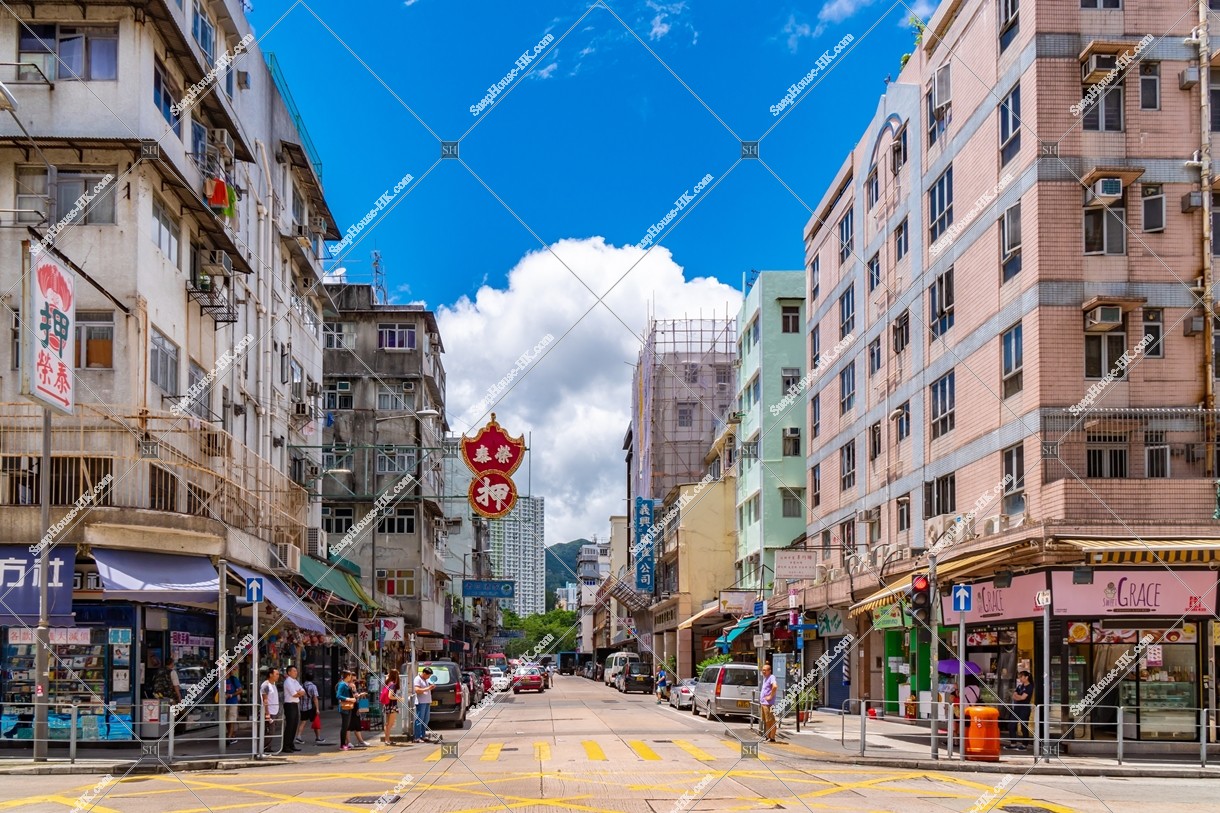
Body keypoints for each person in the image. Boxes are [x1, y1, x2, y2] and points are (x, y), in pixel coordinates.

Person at [335, 669, 366, 751]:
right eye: (350, 676)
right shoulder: (342, 684)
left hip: (349, 707)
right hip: (344, 707)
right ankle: (342, 744)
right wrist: (349, 699)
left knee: (346, 726)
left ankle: (344, 744)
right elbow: (338, 696)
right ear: (347, 676)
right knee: (345, 726)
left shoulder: (347, 685)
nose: (351, 678)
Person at [1008, 670, 1033, 750]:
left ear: (1026, 677)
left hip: (1024, 708)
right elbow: (1014, 695)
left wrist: (1018, 696)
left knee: (1023, 726)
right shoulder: (1020, 686)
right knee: (1012, 725)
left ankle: (1025, 745)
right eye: (1019, 677)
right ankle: (1013, 743)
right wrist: (1018, 696)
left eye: (1021, 677)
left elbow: (1023, 697)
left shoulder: (1030, 687)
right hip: (1017, 708)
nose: (1020, 679)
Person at [281, 666, 304, 753]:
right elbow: (294, 694)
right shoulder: (288, 682)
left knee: (294, 725)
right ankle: (286, 746)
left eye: (296, 671)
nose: (296, 672)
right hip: (289, 704)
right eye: (294, 671)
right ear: (289, 672)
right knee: (290, 726)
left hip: (295, 704)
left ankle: (291, 744)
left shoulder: (295, 681)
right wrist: (299, 693)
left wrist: (299, 693)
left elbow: (303, 691)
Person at [299, 671, 326, 744]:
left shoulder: (301, 685)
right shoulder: (313, 686)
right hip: (311, 707)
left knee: (303, 722)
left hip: (302, 707)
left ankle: (298, 736)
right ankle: (318, 737)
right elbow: (315, 698)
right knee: (315, 722)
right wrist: (317, 708)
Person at [259, 667, 281, 754]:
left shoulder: (273, 684)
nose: (278, 676)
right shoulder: (266, 685)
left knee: (272, 731)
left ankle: (268, 748)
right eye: (276, 674)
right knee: (269, 731)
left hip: (274, 711)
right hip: (269, 712)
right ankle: (264, 749)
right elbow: (265, 700)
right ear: (270, 675)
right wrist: (267, 713)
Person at [412, 666, 434, 743]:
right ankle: (417, 737)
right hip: (421, 702)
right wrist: (428, 688)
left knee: (426, 719)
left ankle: (422, 735)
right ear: (424, 673)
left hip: (427, 701)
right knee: (419, 719)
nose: (429, 677)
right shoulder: (417, 679)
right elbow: (417, 690)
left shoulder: (425, 680)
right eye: (428, 675)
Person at [759, 663, 779, 743]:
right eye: (763, 670)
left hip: (769, 704)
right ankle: (767, 737)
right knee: (767, 721)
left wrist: (770, 696)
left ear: (769, 671)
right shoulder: (765, 678)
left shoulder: (771, 677)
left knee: (771, 721)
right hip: (764, 703)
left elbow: (775, 686)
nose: (763, 672)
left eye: (765, 670)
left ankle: (772, 738)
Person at [223, 663, 242, 745]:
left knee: (231, 720)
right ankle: (230, 735)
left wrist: (231, 695)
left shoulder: (233, 679)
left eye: (227, 670)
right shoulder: (221, 680)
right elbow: (217, 690)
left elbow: (240, 690)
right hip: (224, 703)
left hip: (232, 702)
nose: (226, 671)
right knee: (227, 720)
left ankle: (229, 737)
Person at [382, 669, 402, 744]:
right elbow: (390, 696)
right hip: (392, 705)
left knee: (387, 724)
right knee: (390, 724)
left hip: (387, 705)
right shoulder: (393, 685)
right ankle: (387, 740)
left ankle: (386, 740)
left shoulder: (388, 683)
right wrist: (399, 698)